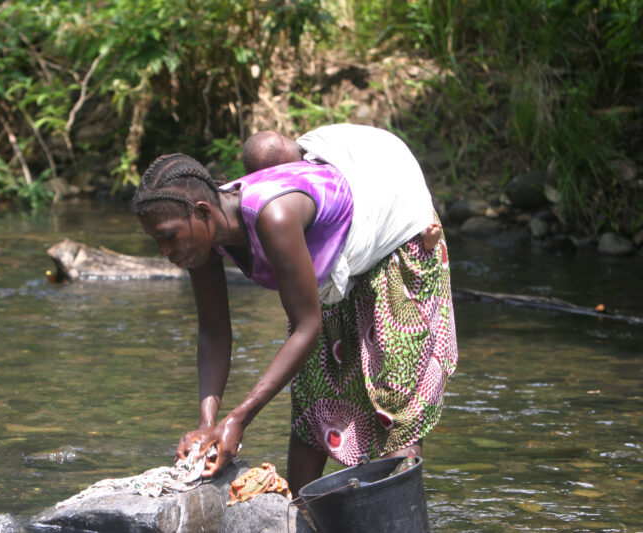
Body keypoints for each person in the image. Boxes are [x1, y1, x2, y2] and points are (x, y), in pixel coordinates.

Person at [131, 126, 457, 493]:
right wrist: (208, 424)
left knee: (395, 407)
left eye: (169, 236)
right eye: (156, 240)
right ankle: (299, 516)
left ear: (203, 211)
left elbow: (307, 326)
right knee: (314, 399)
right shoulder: (200, 239)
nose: (163, 250)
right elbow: (213, 331)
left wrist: (239, 419)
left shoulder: (275, 217)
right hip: (330, 262)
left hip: (393, 230)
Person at [242, 127, 442, 252]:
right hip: (382, 180)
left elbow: (395, 184)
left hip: (397, 192)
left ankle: (423, 233)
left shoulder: (319, 155)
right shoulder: (311, 155)